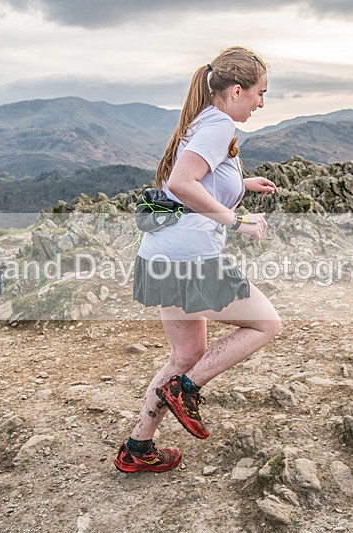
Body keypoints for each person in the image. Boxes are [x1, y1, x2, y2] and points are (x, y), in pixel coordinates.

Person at [114, 47, 281, 473]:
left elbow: (196, 179)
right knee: (266, 323)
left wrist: (241, 183)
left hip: (162, 255)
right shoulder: (219, 124)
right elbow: (182, 183)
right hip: (191, 259)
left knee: (186, 354)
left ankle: (137, 447)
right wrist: (236, 220)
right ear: (238, 90)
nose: (262, 102)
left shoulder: (204, 119)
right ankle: (185, 390)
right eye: (260, 93)